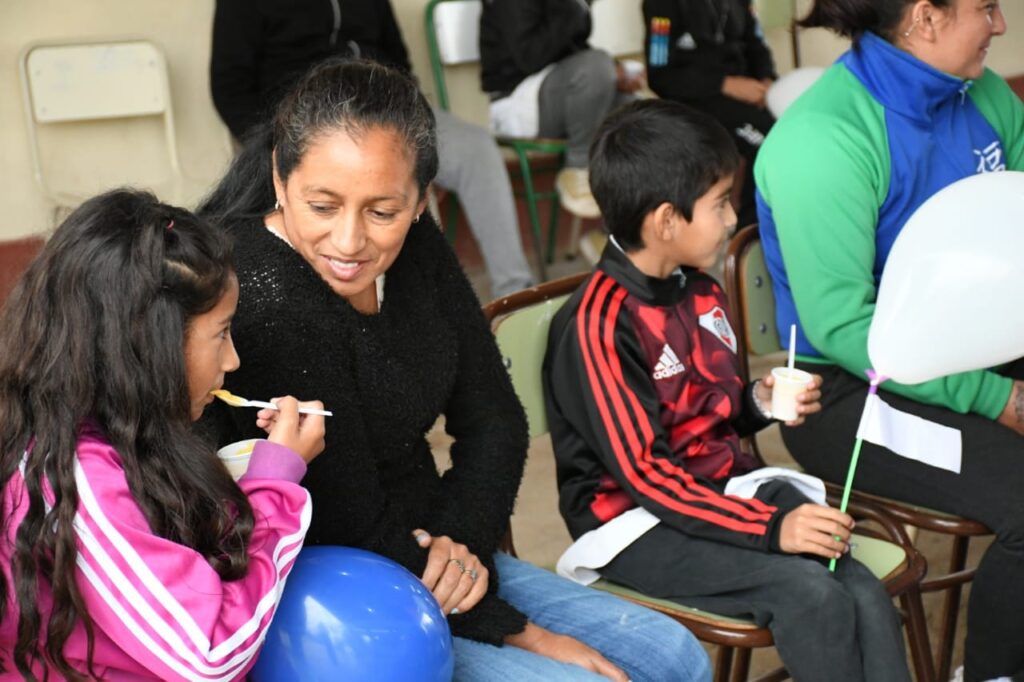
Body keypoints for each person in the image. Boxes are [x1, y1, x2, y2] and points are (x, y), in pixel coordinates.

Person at [198, 58, 711, 681]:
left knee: (675, 655)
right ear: (281, 176)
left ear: (422, 200)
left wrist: (461, 545)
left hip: (439, 545)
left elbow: (495, 418)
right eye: (322, 205)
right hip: (337, 592)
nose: (350, 241)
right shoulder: (264, 295)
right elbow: (346, 515)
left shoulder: (416, 248)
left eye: (382, 211)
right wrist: (521, 631)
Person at [543, 99, 912, 682]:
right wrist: (771, 528)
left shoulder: (700, 292)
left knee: (853, 580)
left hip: (717, 490)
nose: (731, 219)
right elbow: (647, 476)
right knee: (809, 593)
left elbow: (710, 413)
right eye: (719, 204)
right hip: (635, 523)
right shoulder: (599, 326)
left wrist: (759, 401)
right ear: (667, 221)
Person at [753, 0, 1023, 679]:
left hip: (975, 341)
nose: (1000, 25)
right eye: (986, 7)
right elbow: (847, 328)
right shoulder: (823, 141)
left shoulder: (985, 94)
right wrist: (997, 399)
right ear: (925, 18)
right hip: (850, 391)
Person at [0, 190, 325, 680]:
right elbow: (209, 656)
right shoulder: (76, 481)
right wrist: (275, 485)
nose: (233, 360)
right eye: (221, 333)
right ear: (151, 343)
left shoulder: (107, 432)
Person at [209, 0, 534, 300]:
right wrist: (280, 141)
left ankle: (514, 291)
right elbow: (229, 87)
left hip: (383, 121)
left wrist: (405, 136)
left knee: (475, 148)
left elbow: (398, 65)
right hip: (301, 128)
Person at [479, 0, 643, 219]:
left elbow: (571, 50)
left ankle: (617, 231)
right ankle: (579, 169)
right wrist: (575, 7)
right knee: (597, 68)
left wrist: (615, 73)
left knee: (634, 110)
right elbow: (529, 57)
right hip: (516, 99)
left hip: (558, 89)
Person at [642, 0, 776, 227]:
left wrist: (767, 80)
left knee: (789, 129)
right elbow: (660, 76)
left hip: (745, 96)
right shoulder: (662, 5)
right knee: (765, 143)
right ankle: (748, 231)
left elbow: (757, 46)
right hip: (695, 102)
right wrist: (724, 84)